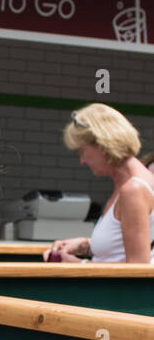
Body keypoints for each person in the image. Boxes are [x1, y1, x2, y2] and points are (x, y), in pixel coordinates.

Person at [46, 104, 154, 263]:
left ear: (103, 145)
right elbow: (122, 249)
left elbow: (137, 272)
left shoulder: (133, 190)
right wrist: (86, 245)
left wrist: (76, 264)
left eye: (82, 151)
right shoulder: (132, 183)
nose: (82, 161)